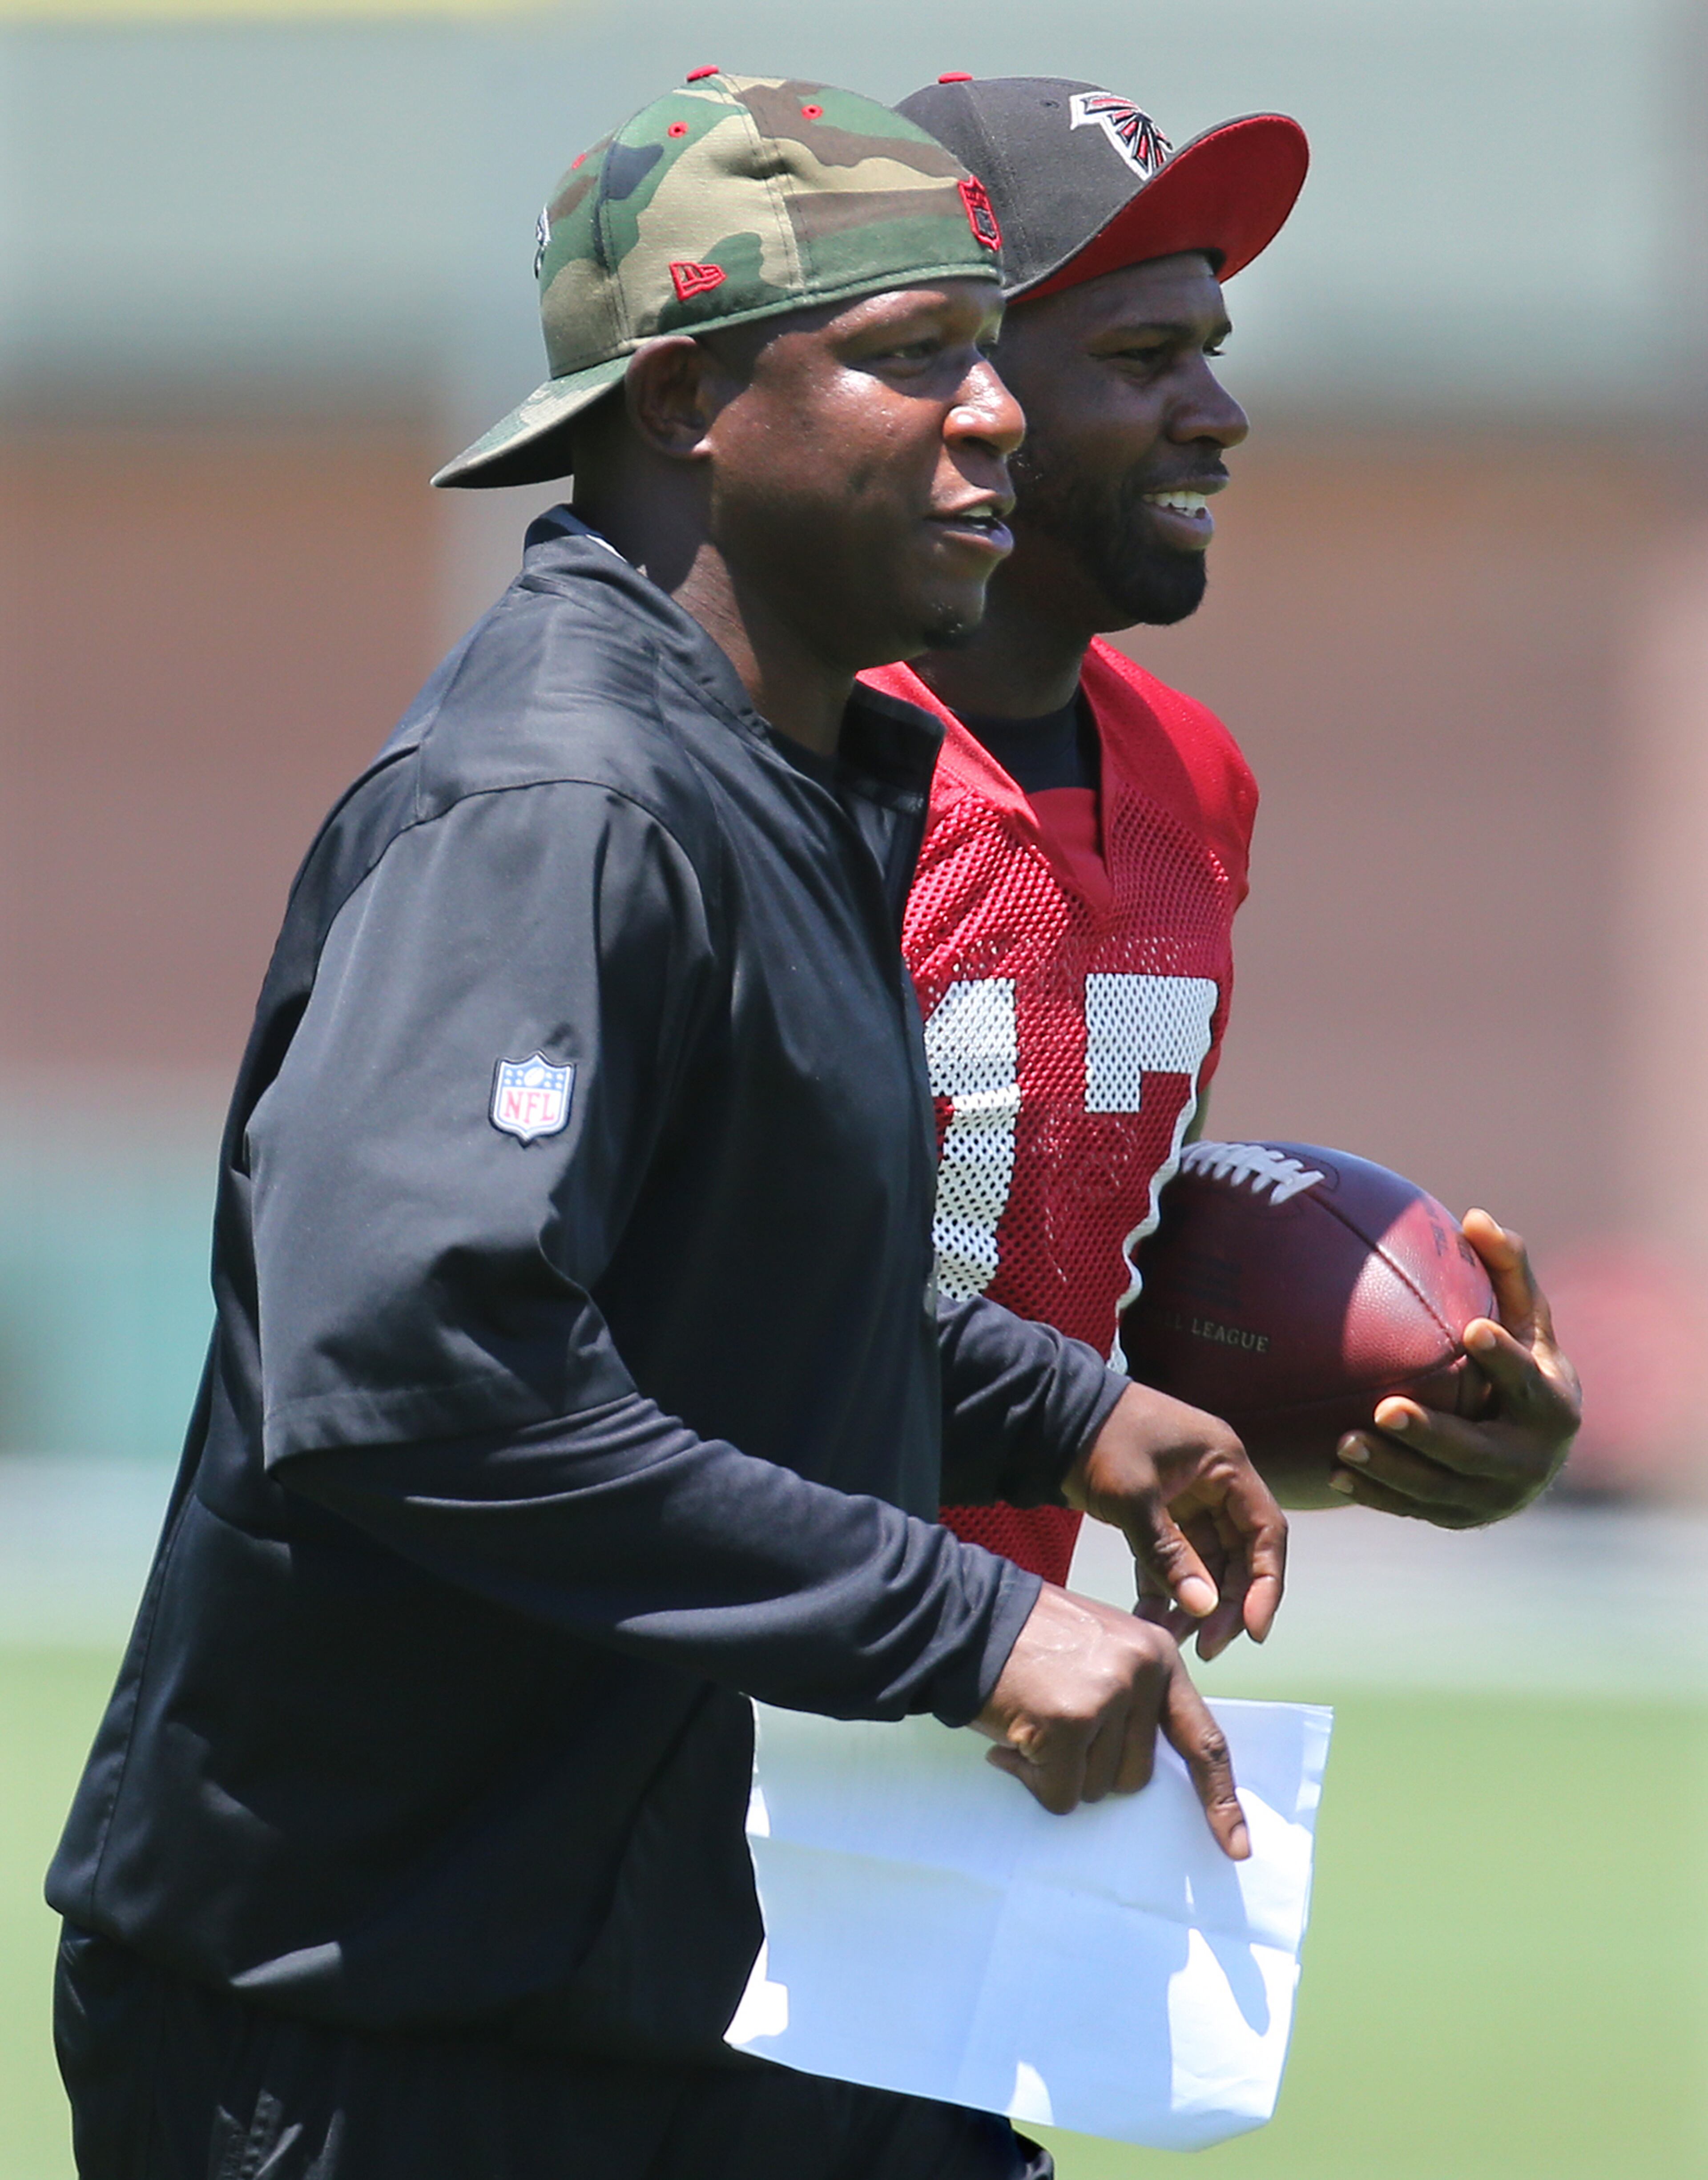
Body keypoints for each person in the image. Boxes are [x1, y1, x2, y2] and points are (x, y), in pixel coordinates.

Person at [47, 73, 1287, 2180]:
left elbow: (718, 1280)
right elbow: (421, 1372)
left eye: (995, 346)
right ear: (690, 398)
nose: (993, 410)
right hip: (374, 2032)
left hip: (678, 1984)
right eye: (910, 355)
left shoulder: (791, 777)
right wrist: (972, 1616)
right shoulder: (559, 805)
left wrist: (1056, 1406)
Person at [869, 75, 1581, 1612]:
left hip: (1022, 1694)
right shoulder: (771, 759)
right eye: (1142, 357)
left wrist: (1412, 1411)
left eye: (1212, 351)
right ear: (954, 389)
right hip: (734, 1693)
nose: (1219, 412)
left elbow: (1083, 1266)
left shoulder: (1195, 778)